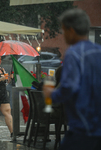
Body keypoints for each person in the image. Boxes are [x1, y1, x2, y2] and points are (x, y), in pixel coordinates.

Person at [43, 9, 101, 150]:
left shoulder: (74, 53)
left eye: (64, 30)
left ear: (71, 30)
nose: (63, 35)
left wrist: (51, 95)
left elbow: (69, 87)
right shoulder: (98, 51)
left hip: (82, 127)